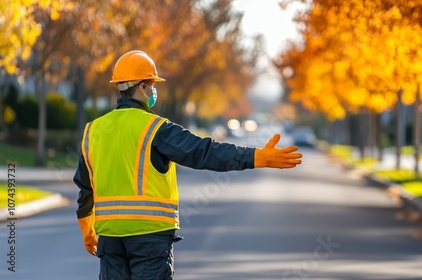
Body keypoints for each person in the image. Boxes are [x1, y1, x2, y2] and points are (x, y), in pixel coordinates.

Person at [73, 50, 302, 280]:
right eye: (152, 84)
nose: (154, 90)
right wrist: (257, 157)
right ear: (142, 87)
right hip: (150, 240)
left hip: (109, 240)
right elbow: (203, 152)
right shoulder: (155, 128)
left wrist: (87, 231)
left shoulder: (93, 130)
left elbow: (85, 187)